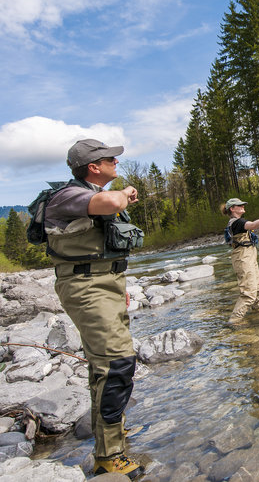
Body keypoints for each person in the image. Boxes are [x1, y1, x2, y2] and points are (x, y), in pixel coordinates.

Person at [44, 139, 144, 479]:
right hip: (86, 287)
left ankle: (111, 435)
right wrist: (126, 193)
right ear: (92, 167)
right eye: (109, 159)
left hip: (108, 285)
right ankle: (109, 456)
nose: (115, 162)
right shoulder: (69, 195)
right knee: (118, 363)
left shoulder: (88, 192)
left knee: (102, 366)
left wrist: (119, 288)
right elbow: (111, 202)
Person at [220, 198, 259, 323]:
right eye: (239, 205)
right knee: (249, 294)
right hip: (242, 258)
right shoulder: (236, 222)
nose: (243, 206)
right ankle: (233, 322)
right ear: (232, 209)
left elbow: (255, 226)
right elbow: (253, 225)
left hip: (248, 256)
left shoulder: (239, 223)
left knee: (258, 292)